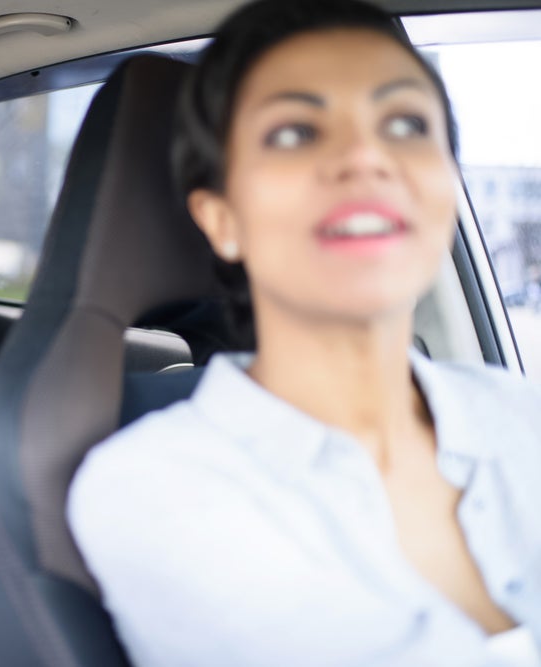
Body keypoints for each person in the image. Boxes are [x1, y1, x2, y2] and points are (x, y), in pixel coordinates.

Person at [67, 1, 541, 665]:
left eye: (404, 124)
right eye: (294, 132)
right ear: (222, 217)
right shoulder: (150, 488)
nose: (367, 157)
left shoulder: (520, 412)